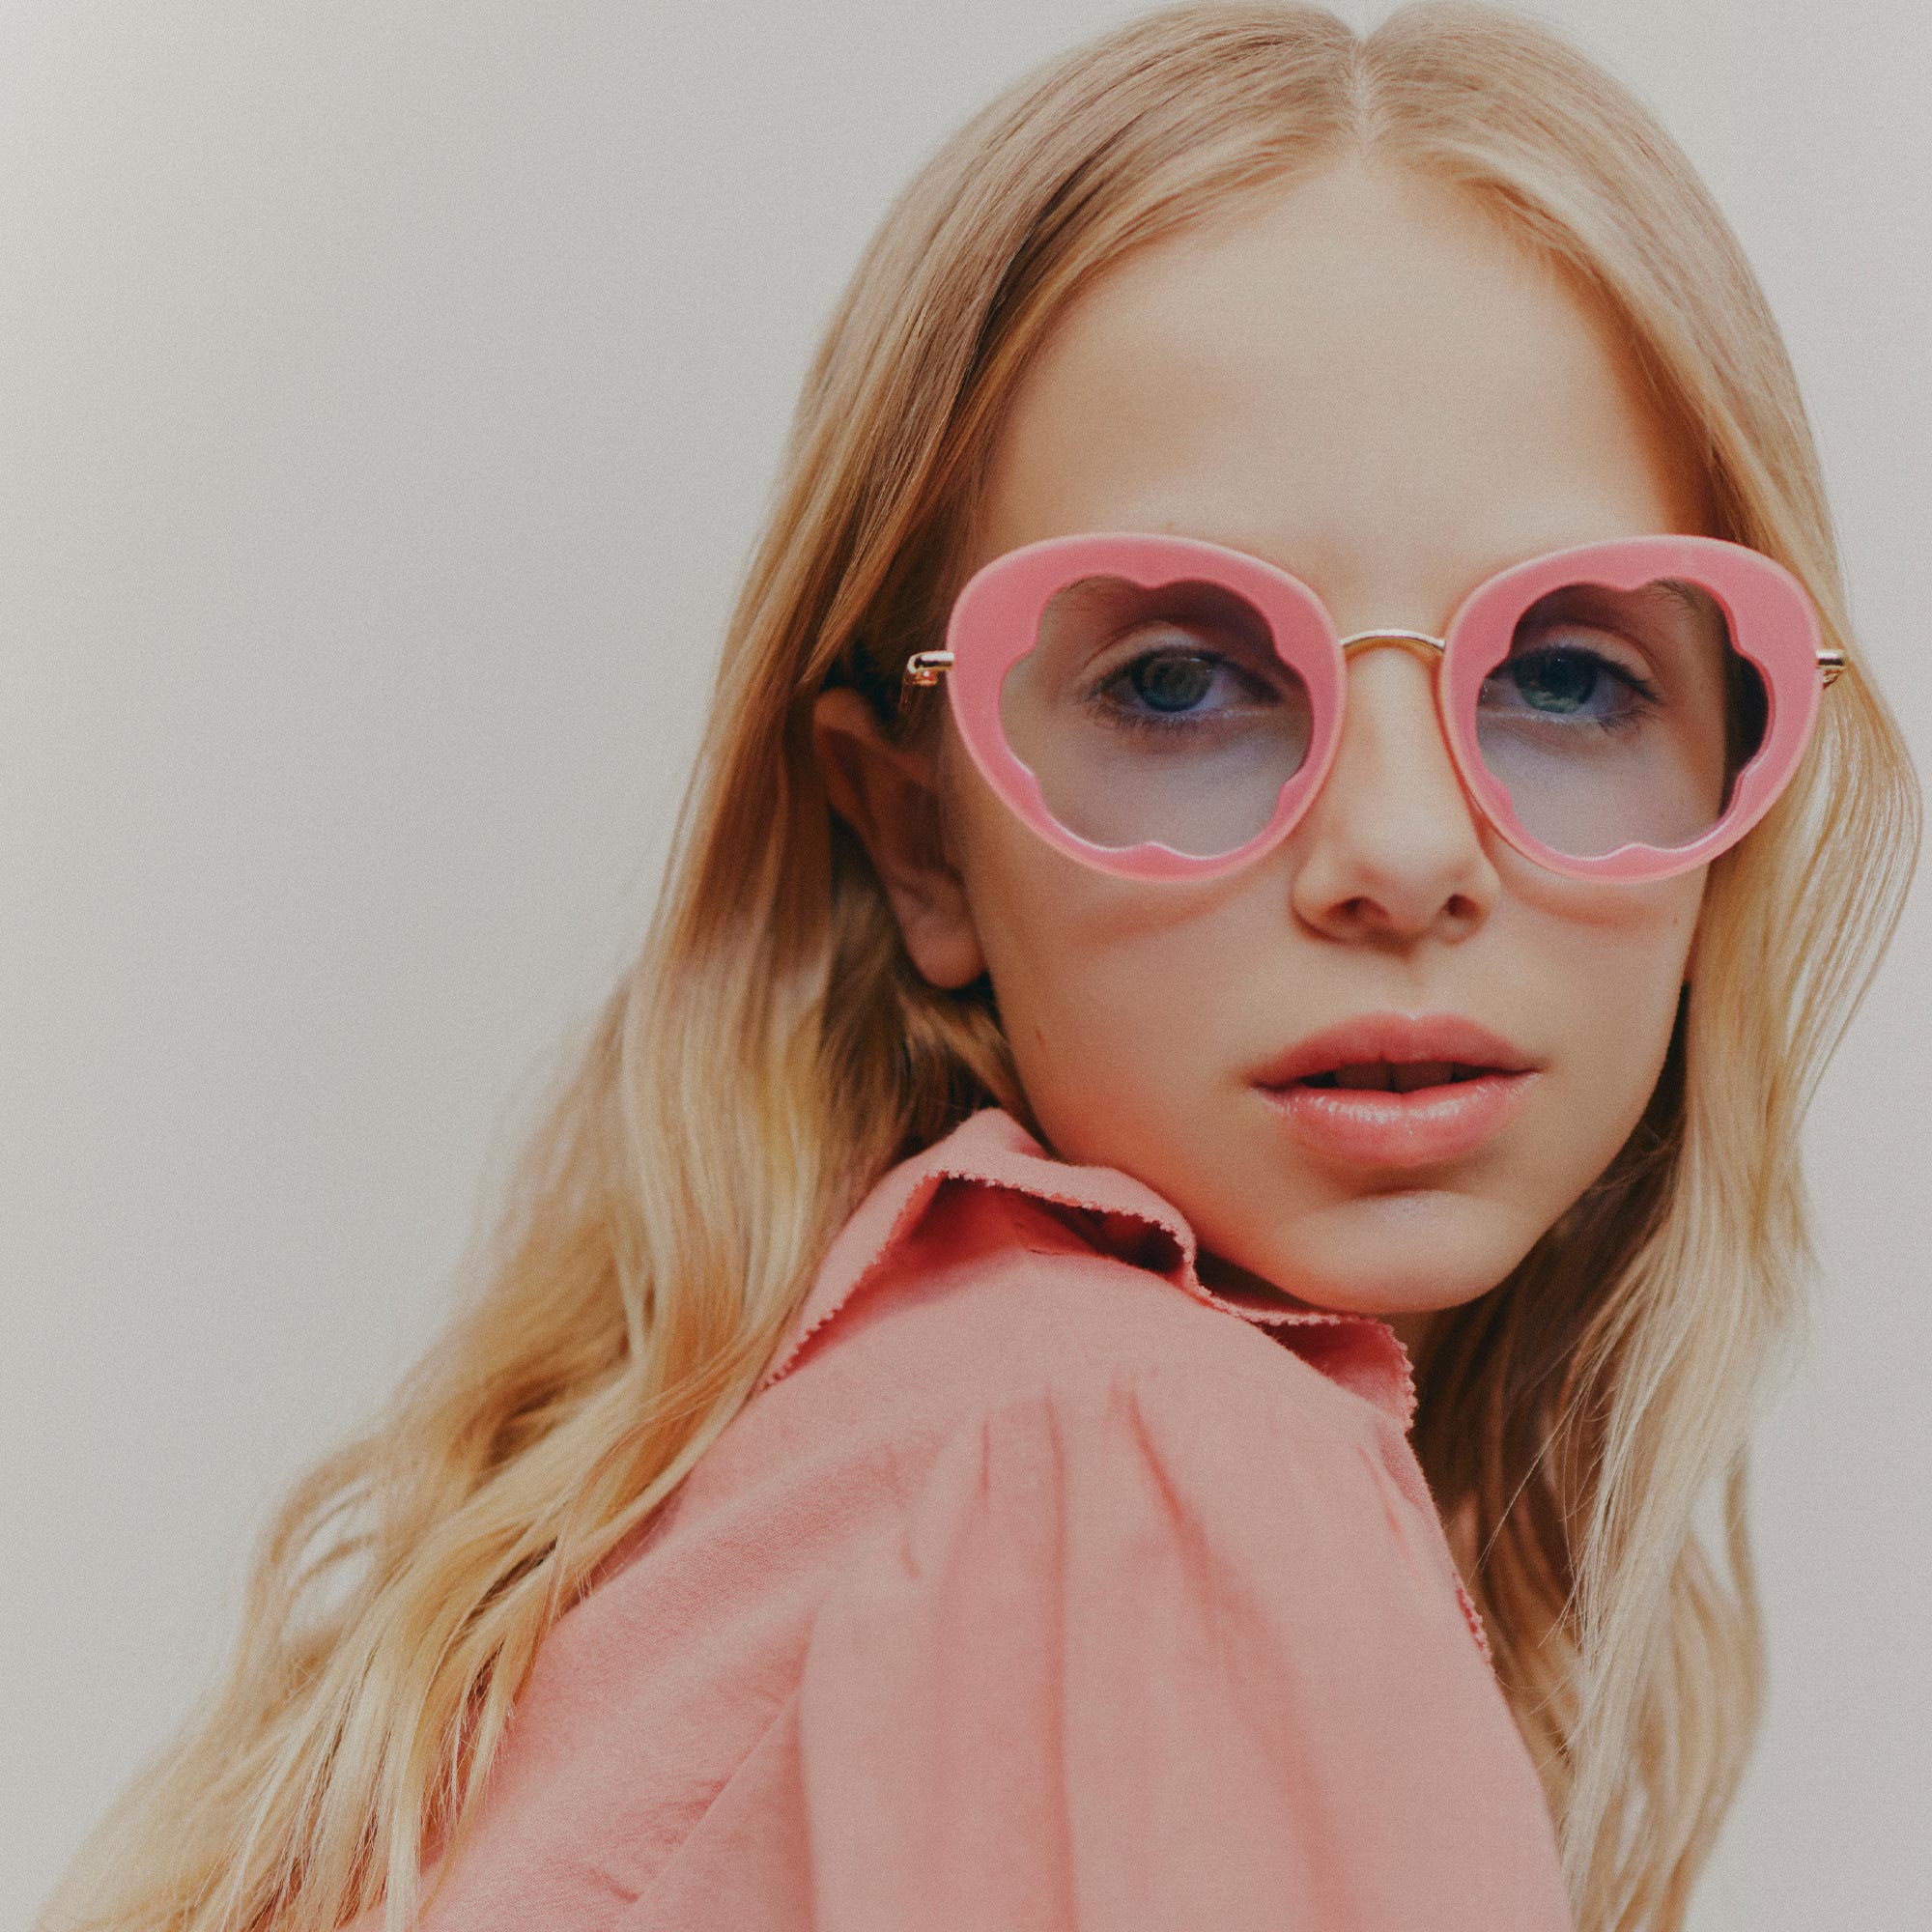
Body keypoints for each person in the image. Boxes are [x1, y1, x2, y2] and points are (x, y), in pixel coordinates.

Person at [41, 4, 1918, 1930]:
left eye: (1569, 677)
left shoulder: (897, 1448)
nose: (1402, 854)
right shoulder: (1140, 1468)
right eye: (1177, 682)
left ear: (1740, 768)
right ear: (919, 834)